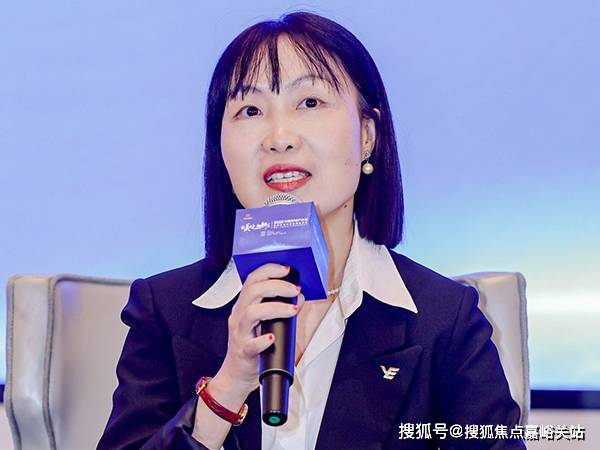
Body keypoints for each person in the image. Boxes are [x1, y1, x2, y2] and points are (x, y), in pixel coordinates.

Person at [98, 11, 525, 450]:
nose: (279, 137)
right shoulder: (164, 312)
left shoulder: (445, 321)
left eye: (310, 103)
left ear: (367, 136)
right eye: (250, 110)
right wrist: (227, 387)